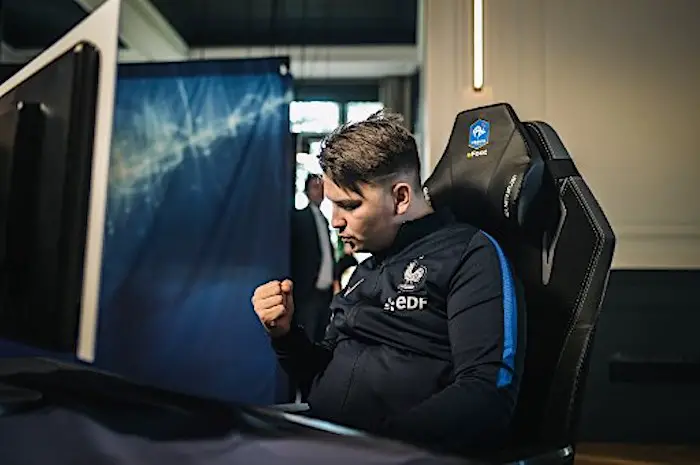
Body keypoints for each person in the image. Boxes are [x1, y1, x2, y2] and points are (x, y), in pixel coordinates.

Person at [252, 110, 524, 456]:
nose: (335, 221)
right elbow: (320, 380)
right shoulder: (366, 271)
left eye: (349, 206)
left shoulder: (469, 255)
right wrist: (286, 335)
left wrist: (376, 448)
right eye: (333, 206)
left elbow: (487, 394)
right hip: (327, 440)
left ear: (400, 198)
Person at [289, 174, 335, 344]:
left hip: (325, 294)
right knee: (306, 341)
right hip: (307, 293)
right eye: (316, 187)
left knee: (322, 340)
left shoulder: (324, 219)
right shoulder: (300, 218)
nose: (320, 191)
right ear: (307, 191)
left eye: (322, 187)